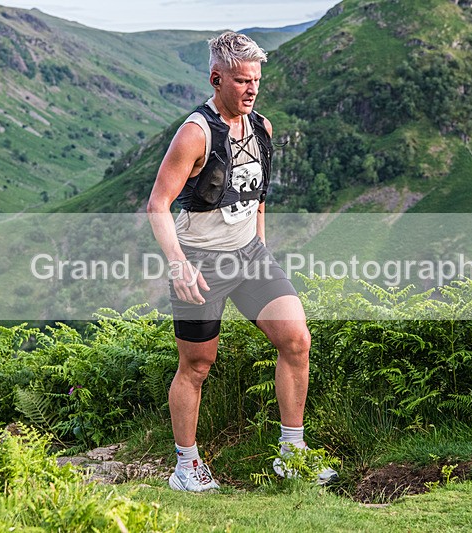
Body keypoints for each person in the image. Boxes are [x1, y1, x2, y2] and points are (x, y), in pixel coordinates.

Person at [147, 31, 337, 492]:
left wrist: (262, 248)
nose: (251, 89)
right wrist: (177, 264)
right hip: (200, 261)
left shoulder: (262, 129)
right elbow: (157, 204)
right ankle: (186, 467)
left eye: (256, 80)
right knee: (197, 365)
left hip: (250, 257)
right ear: (216, 78)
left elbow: (259, 197)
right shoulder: (195, 134)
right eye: (240, 81)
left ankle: (293, 456)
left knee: (296, 340)